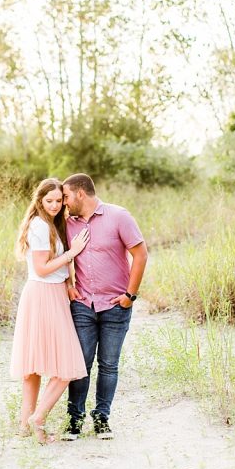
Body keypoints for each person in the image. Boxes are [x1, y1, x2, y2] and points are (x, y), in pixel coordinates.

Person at [60, 173, 149, 441]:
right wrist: (68, 283)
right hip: (83, 305)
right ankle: (75, 420)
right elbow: (59, 255)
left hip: (115, 306)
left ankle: (102, 418)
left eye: (65, 196)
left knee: (109, 364)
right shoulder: (68, 224)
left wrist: (129, 296)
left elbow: (140, 254)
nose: (64, 203)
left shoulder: (119, 216)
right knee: (80, 364)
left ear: (80, 194)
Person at [9, 177, 90, 443]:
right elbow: (43, 268)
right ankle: (36, 420)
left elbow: (53, 268)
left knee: (35, 366)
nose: (55, 205)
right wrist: (73, 253)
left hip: (53, 293)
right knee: (67, 366)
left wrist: (68, 283)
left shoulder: (52, 224)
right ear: (39, 201)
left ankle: (25, 427)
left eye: (59, 200)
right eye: (49, 201)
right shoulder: (39, 226)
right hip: (42, 295)